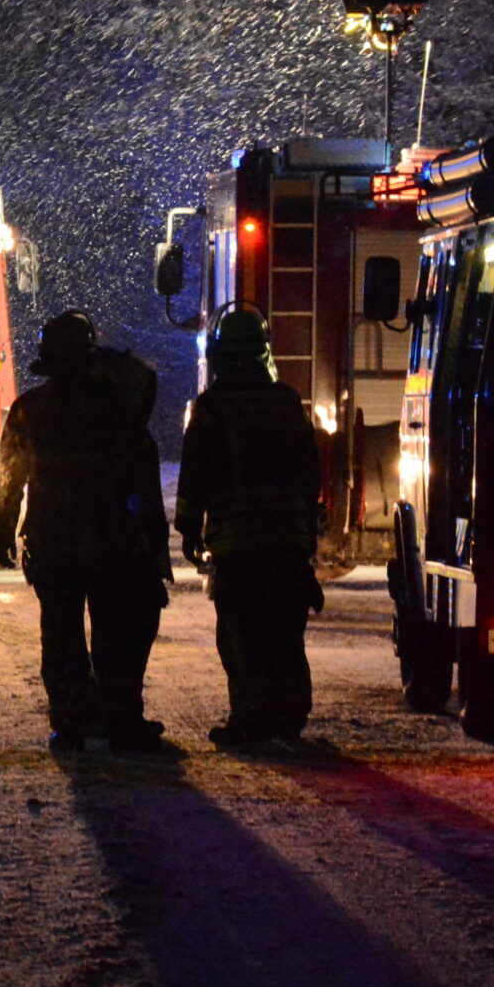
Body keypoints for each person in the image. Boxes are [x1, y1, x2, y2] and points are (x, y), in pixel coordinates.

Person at [0, 311, 172, 753]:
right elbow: (143, 477)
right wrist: (154, 546)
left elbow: (8, 480)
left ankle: (72, 724)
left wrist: (1, 535)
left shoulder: (29, 409)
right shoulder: (117, 407)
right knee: (116, 635)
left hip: (54, 546)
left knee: (62, 635)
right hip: (114, 543)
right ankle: (121, 721)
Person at [175, 306, 324, 747]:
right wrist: (308, 534)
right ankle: (289, 719)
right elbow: (308, 475)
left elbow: (193, 477)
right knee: (285, 633)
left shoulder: (211, 409)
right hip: (286, 545)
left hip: (237, 547)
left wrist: (187, 529)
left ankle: (249, 719)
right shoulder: (286, 403)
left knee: (240, 636)